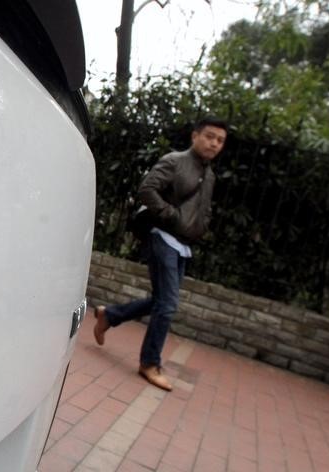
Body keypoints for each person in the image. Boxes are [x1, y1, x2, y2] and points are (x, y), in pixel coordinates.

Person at [93, 116, 228, 391]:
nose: (214, 143)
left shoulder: (209, 173)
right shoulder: (175, 161)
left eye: (220, 140)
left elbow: (203, 209)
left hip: (183, 244)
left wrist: (200, 227)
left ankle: (110, 315)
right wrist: (172, 217)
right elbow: (147, 190)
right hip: (163, 236)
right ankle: (149, 363)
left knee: (161, 300)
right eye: (210, 136)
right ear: (195, 136)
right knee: (167, 305)